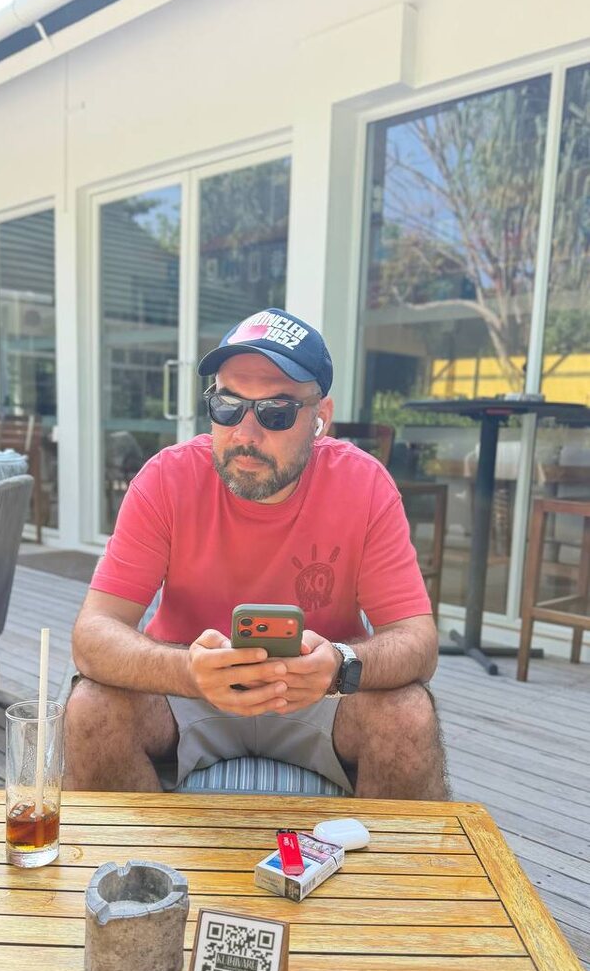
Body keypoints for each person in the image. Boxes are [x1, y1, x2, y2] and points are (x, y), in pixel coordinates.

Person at [65, 307, 447, 799]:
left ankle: (383, 858)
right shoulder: (167, 478)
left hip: (319, 693)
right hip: (187, 691)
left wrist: (340, 664)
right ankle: (145, 856)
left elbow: (418, 641)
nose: (245, 434)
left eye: (276, 412)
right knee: (92, 708)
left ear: (320, 418)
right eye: (227, 405)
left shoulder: (363, 484)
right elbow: (93, 634)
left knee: (409, 716)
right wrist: (188, 671)